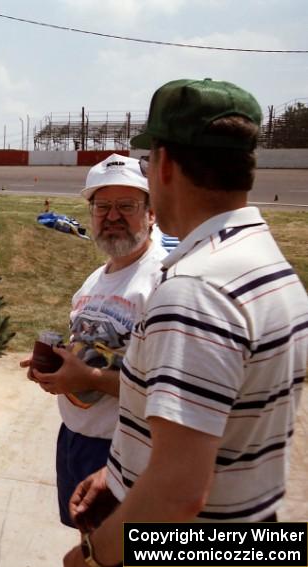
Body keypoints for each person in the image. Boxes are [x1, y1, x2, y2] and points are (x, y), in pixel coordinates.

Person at [64, 79, 308, 567]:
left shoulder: (195, 292)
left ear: (166, 165)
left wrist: (94, 555)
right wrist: (119, 475)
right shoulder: (266, 262)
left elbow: (178, 495)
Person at [21, 154, 166, 528]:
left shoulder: (163, 282)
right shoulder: (95, 280)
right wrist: (56, 366)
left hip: (128, 452)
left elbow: (170, 394)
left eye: (126, 206)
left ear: (151, 214)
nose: (112, 216)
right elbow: (88, 350)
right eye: (102, 206)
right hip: (75, 439)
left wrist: (87, 379)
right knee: (88, 545)